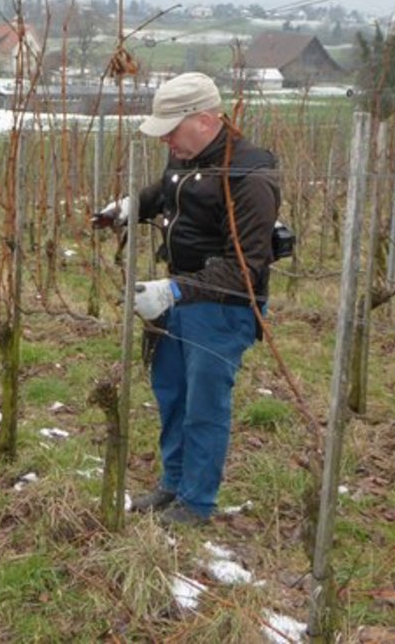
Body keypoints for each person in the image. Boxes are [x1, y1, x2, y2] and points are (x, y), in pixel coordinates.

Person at [96, 72, 280, 526]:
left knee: (204, 404)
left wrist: (175, 289)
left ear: (205, 119)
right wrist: (130, 206)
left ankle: (196, 503)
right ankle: (173, 484)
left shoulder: (250, 174)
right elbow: (167, 192)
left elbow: (247, 266)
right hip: (178, 298)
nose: (167, 143)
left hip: (222, 307)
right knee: (171, 393)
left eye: (172, 131)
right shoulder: (187, 156)